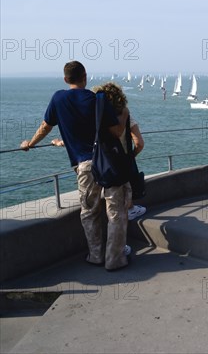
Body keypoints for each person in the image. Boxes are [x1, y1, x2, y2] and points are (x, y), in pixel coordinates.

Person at [21, 61, 131, 271]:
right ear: (85, 77)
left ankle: (95, 255)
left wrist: (30, 144)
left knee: (89, 212)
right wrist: (124, 115)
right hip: (108, 164)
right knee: (115, 212)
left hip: (84, 166)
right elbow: (116, 133)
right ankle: (114, 260)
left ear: (65, 79)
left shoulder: (58, 98)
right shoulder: (97, 99)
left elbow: (45, 127)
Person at [90, 82, 146, 221]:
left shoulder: (96, 117)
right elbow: (139, 143)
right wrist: (130, 156)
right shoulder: (125, 115)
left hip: (97, 161)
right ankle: (130, 211)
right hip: (119, 162)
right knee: (119, 203)